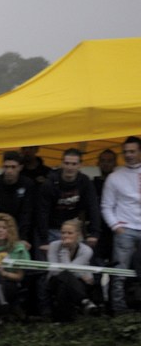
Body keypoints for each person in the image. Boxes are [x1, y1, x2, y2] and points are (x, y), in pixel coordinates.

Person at [100, 135, 141, 314]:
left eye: (132, 151)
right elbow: (106, 206)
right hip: (125, 230)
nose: (129, 155)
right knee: (120, 272)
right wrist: (116, 227)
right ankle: (118, 309)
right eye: (125, 152)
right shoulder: (114, 177)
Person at [36, 149, 101, 248]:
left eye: (74, 164)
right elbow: (42, 212)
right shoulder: (50, 183)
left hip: (73, 228)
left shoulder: (85, 181)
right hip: (52, 228)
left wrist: (94, 233)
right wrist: (44, 240)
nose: (70, 167)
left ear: (80, 165)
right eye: (67, 163)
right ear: (61, 164)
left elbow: (93, 207)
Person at [42, 220, 98, 323]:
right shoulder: (54, 245)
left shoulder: (86, 250)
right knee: (64, 276)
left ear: (78, 234)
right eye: (63, 233)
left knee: (65, 283)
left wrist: (75, 273)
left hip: (76, 283)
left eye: (70, 233)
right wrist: (64, 250)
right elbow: (54, 270)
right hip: (55, 280)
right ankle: (84, 301)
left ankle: (62, 320)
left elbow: (69, 270)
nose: (65, 236)